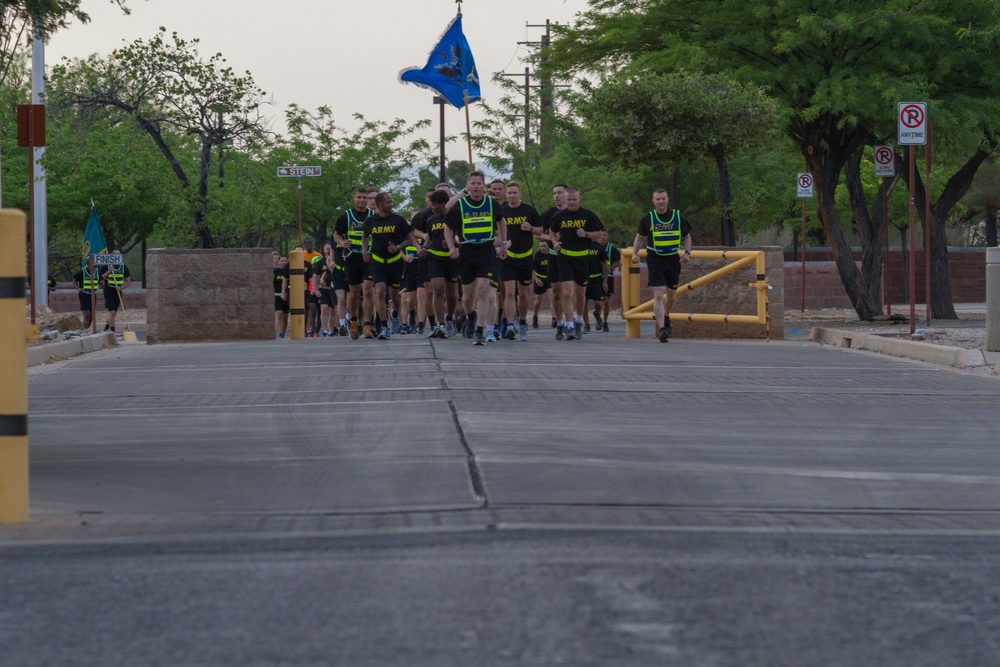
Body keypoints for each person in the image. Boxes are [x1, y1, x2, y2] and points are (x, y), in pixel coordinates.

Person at [445, 171, 507, 345]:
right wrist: (451, 247)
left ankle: (480, 331)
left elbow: (502, 222)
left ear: (484, 185)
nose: (476, 187)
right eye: (473, 183)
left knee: (483, 290)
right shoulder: (460, 206)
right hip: (467, 251)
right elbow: (448, 228)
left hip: (487, 250)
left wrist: (503, 243)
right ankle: (471, 315)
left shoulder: (492, 203)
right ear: (468, 185)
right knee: (467, 295)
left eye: (479, 183)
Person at [631, 188, 693, 343]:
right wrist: (634, 253)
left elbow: (686, 237)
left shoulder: (678, 217)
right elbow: (639, 237)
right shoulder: (648, 219)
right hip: (654, 259)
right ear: (653, 201)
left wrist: (687, 253)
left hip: (673, 259)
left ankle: (666, 317)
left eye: (663, 198)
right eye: (657, 199)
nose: (660, 201)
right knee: (658, 294)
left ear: (667, 200)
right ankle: (662, 329)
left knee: (671, 296)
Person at [547, 187, 605, 340]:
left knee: (580, 294)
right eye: (569, 199)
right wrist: (554, 242)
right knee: (567, 293)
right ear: (565, 199)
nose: (572, 202)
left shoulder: (587, 215)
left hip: (582, 258)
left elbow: (599, 233)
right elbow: (551, 231)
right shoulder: (559, 215)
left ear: (579, 199)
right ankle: (569, 325)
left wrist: (586, 234)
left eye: (574, 199)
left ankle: (578, 320)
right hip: (564, 257)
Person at [362, 192, 418, 340]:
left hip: (395, 262)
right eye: (388, 202)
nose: (391, 205)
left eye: (391, 202)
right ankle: (384, 327)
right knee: (379, 293)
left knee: (395, 296)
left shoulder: (398, 220)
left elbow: (409, 239)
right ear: (380, 204)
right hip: (377, 262)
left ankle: (394, 315)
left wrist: (398, 246)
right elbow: (365, 236)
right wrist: (364, 251)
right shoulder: (370, 221)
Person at [416, 189, 460, 338]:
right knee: (438, 290)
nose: (432, 207)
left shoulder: (454, 217)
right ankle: (440, 324)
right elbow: (429, 238)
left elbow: (461, 236)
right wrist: (423, 248)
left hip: (452, 259)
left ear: (443, 204)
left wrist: (453, 242)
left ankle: (450, 318)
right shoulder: (431, 220)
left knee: (452, 294)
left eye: (435, 205)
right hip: (435, 259)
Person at [501, 181, 541, 341]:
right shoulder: (502, 211)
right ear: (506, 195)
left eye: (514, 193)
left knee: (523, 293)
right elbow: (496, 230)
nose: (512, 196)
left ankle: (523, 322)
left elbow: (540, 230)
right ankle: (511, 324)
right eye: (509, 193)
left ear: (520, 194)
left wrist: (531, 228)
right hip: (508, 258)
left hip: (525, 257)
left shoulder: (529, 210)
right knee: (509, 292)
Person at [333, 188, 373, 339]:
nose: (362, 200)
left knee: (368, 290)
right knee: (354, 293)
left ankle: (368, 325)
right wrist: (342, 242)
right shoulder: (346, 216)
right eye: (359, 197)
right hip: (352, 258)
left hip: (368, 258)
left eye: (365, 197)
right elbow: (336, 234)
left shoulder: (372, 216)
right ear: (354, 198)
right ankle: (354, 322)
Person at [540, 184, 568, 330]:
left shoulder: (575, 212)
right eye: (554, 193)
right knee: (557, 293)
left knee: (570, 293)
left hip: (572, 257)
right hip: (554, 256)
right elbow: (538, 234)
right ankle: (559, 322)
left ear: (567, 194)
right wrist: (551, 238)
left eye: (560, 193)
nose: (556, 196)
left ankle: (573, 321)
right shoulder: (548, 214)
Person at [100, 250, 131, 332]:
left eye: (119, 256)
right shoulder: (106, 266)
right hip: (108, 291)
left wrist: (121, 288)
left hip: (118, 291)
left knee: (114, 313)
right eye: (115, 256)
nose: (117, 258)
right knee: (112, 312)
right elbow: (100, 278)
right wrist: (109, 271)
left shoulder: (123, 267)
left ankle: (106, 327)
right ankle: (113, 331)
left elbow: (128, 282)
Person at [72, 254, 100, 330]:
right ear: (88, 263)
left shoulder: (97, 271)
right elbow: (74, 280)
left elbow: (101, 281)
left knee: (92, 316)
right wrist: (78, 288)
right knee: (86, 315)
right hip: (84, 294)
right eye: (91, 263)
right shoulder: (82, 271)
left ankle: (86, 329)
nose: (93, 265)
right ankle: (84, 331)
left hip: (93, 295)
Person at [599, 237, 621, 332]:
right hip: (596, 277)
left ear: (607, 236)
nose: (602, 238)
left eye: (604, 235)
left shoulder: (612, 249)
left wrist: (610, 268)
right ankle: (598, 318)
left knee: (606, 301)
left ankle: (605, 321)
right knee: (598, 301)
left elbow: (618, 262)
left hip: (609, 277)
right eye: (600, 235)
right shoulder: (593, 247)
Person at [531, 239, 552, 329]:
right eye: (541, 246)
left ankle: (554, 318)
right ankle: (535, 316)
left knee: (553, 297)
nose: (542, 248)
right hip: (540, 278)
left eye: (544, 246)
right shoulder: (537, 256)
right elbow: (532, 269)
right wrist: (536, 279)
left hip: (550, 278)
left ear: (548, 246)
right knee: (538, 301)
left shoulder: (551, 254)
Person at [273, 252, 289, 338]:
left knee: (285, 316)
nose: (283, 262)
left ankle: (283, 332)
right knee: (279, 315)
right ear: (278, 262)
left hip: (287, 296)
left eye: (285, 261)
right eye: (282, 261)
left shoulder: (289, 272)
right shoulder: (274, 272)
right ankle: (280, 333)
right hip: (277, 296)